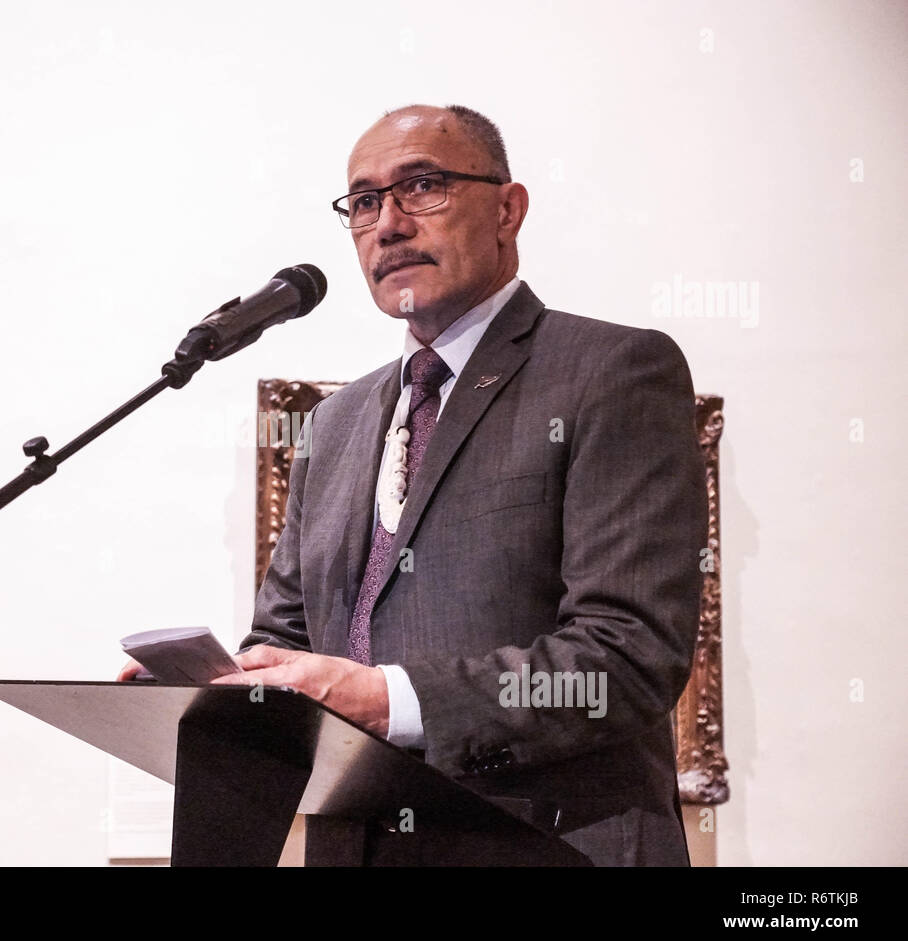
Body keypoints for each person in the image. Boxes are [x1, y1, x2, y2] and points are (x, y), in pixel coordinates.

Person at [120, 104, 706, 867]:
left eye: (422, 186)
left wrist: (386, 699)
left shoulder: (611, 371)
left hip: (546, 848)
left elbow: (625, 659)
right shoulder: (334, 422)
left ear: (507, 208)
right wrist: (225, 688)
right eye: (364, 203)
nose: (388, 224)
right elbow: (288, 636)